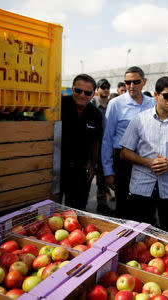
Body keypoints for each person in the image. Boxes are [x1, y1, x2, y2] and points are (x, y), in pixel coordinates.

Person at [119, 76, 168, 233]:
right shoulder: (139, 120)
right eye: (166, 96)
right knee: (140, 233)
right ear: (156, 95)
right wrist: (147, 162)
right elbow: (124, 152)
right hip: (142, 186)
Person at [101, 66, 155, 218]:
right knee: (124, 206)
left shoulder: (153, 104)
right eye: (127, 82)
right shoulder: (115, 104)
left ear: (144, 82)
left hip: (147, 160)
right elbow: (107, 139)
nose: (131, 86)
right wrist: (108, 171)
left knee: (146, 205)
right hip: (123, 161)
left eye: (136, 82)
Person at [61, 74, 103, 210]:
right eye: (78, 90)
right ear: (72, 89)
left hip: (81, 170)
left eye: (87, 92)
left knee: (76, 210)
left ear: (93, 94)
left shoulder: (96, 114)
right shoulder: (59, 106)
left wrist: (92, 165)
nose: (82, 95)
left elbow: (96, 142)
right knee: (50, 209)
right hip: (56, 168)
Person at [91, 79, 113, 214]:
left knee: (105, 176)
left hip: (109, 146)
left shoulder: (112, 105)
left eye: (108, 87)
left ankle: (102, 203)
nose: (105, 89)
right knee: (97, 176)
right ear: (97, 89)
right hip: (96, 145)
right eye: (103, 87)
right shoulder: (92, 105)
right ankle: (100, 204)